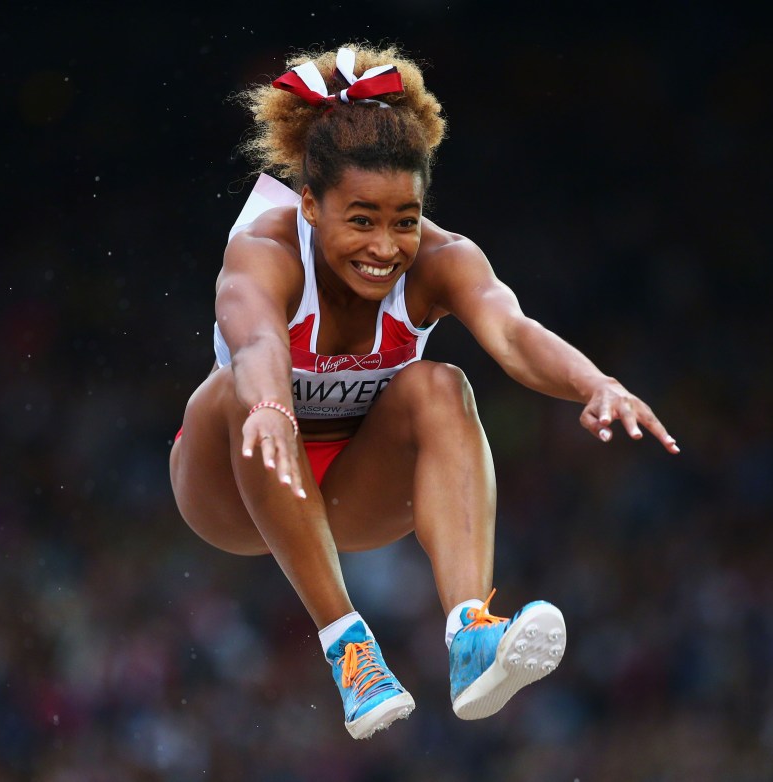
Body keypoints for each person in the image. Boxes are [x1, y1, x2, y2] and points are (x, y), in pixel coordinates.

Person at [169, 44, 679, 740]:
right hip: (231, 487)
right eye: (362, 220)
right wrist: (265, 404)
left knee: (442, 385)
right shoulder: (265, 248)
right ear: (312, 205)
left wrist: (595, 382)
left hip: (349, 495)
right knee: (242, 391)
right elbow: (257, 343)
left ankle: (471, 636)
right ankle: (350, 652)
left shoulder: (443, 260)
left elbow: (513, 334)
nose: (385, 247)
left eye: (403, 219)